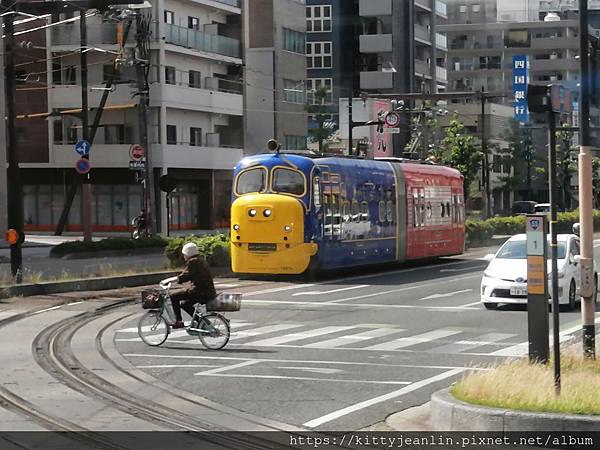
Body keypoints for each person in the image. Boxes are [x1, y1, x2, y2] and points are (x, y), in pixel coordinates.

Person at [169, 242, 216, 329]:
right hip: (207, 291)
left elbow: (186, 275)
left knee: (173, 296)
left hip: (200, 291)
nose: (184, 257)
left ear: (187, 253)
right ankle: (202, 322)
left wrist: (175, 279)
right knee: (184, 304)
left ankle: (178, 321)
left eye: (184, 254)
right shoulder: (201, 260)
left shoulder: (193, 262)